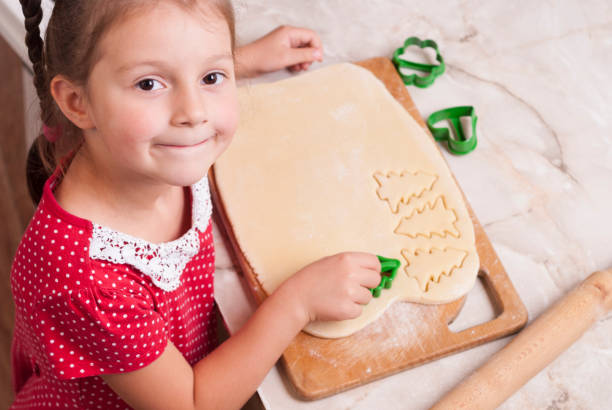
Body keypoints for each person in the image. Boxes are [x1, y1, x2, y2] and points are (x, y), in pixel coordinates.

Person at [11, 1, 382, 409]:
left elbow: (167, 55)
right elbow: (191, 403)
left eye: (210, 77)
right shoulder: (85, 281)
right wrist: (297, 303)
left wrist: (245, 61)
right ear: (78, 102)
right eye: (149, 85)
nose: (194, 112)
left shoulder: (153, 152)